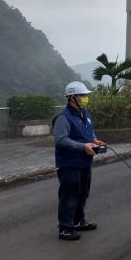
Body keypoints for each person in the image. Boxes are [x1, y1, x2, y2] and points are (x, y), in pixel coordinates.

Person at [52, 81, 104, 241]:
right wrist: (83, 147)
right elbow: (60, 140)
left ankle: (78, 221)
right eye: (82, 95)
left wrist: (95, 142)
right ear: (71, 97)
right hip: (69, 164)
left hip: (84, 162)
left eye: (86, 95)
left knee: (83, 193)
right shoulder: (63, 118)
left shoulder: (85, 114)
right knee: (69, 195)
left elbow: (90, 133)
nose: (85, 98)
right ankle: (65, 228)